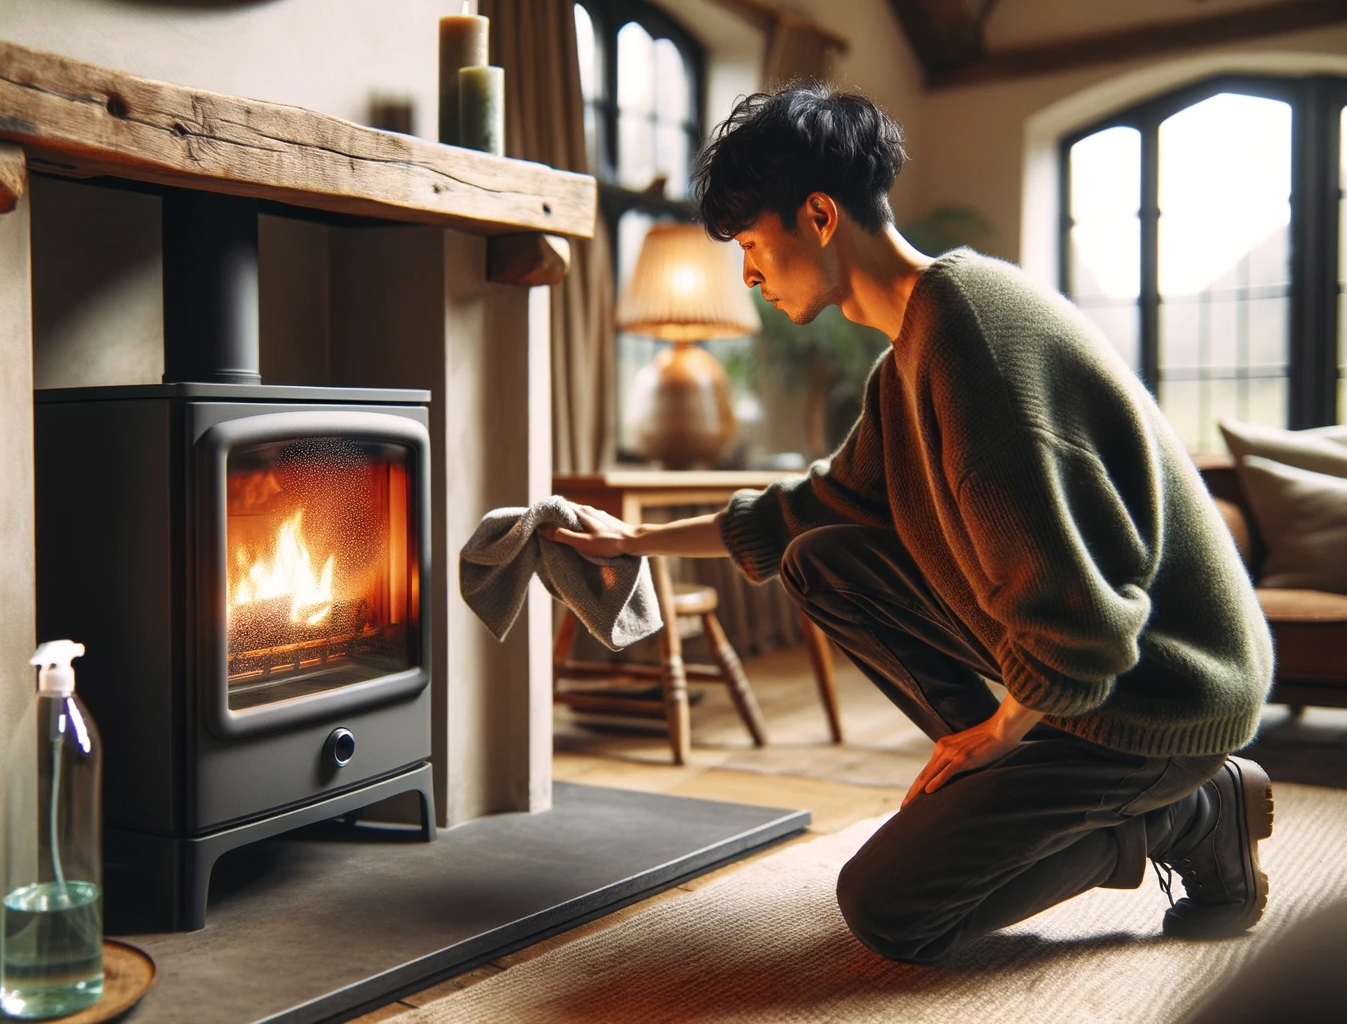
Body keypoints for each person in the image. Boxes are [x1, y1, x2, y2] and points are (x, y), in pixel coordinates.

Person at [540, 85, 1276, 964]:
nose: (747, 274)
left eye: (749, 244)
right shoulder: (916, 349)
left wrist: (1000, 730)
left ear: (818, 215)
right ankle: (1011, 785)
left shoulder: (975, 345)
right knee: (823, 558)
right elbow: (809, 511)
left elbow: (1082, 620)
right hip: (1104, 674)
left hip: (1157, 696)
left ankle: (1188, 818)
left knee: (890, 910)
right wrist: (634, 542)